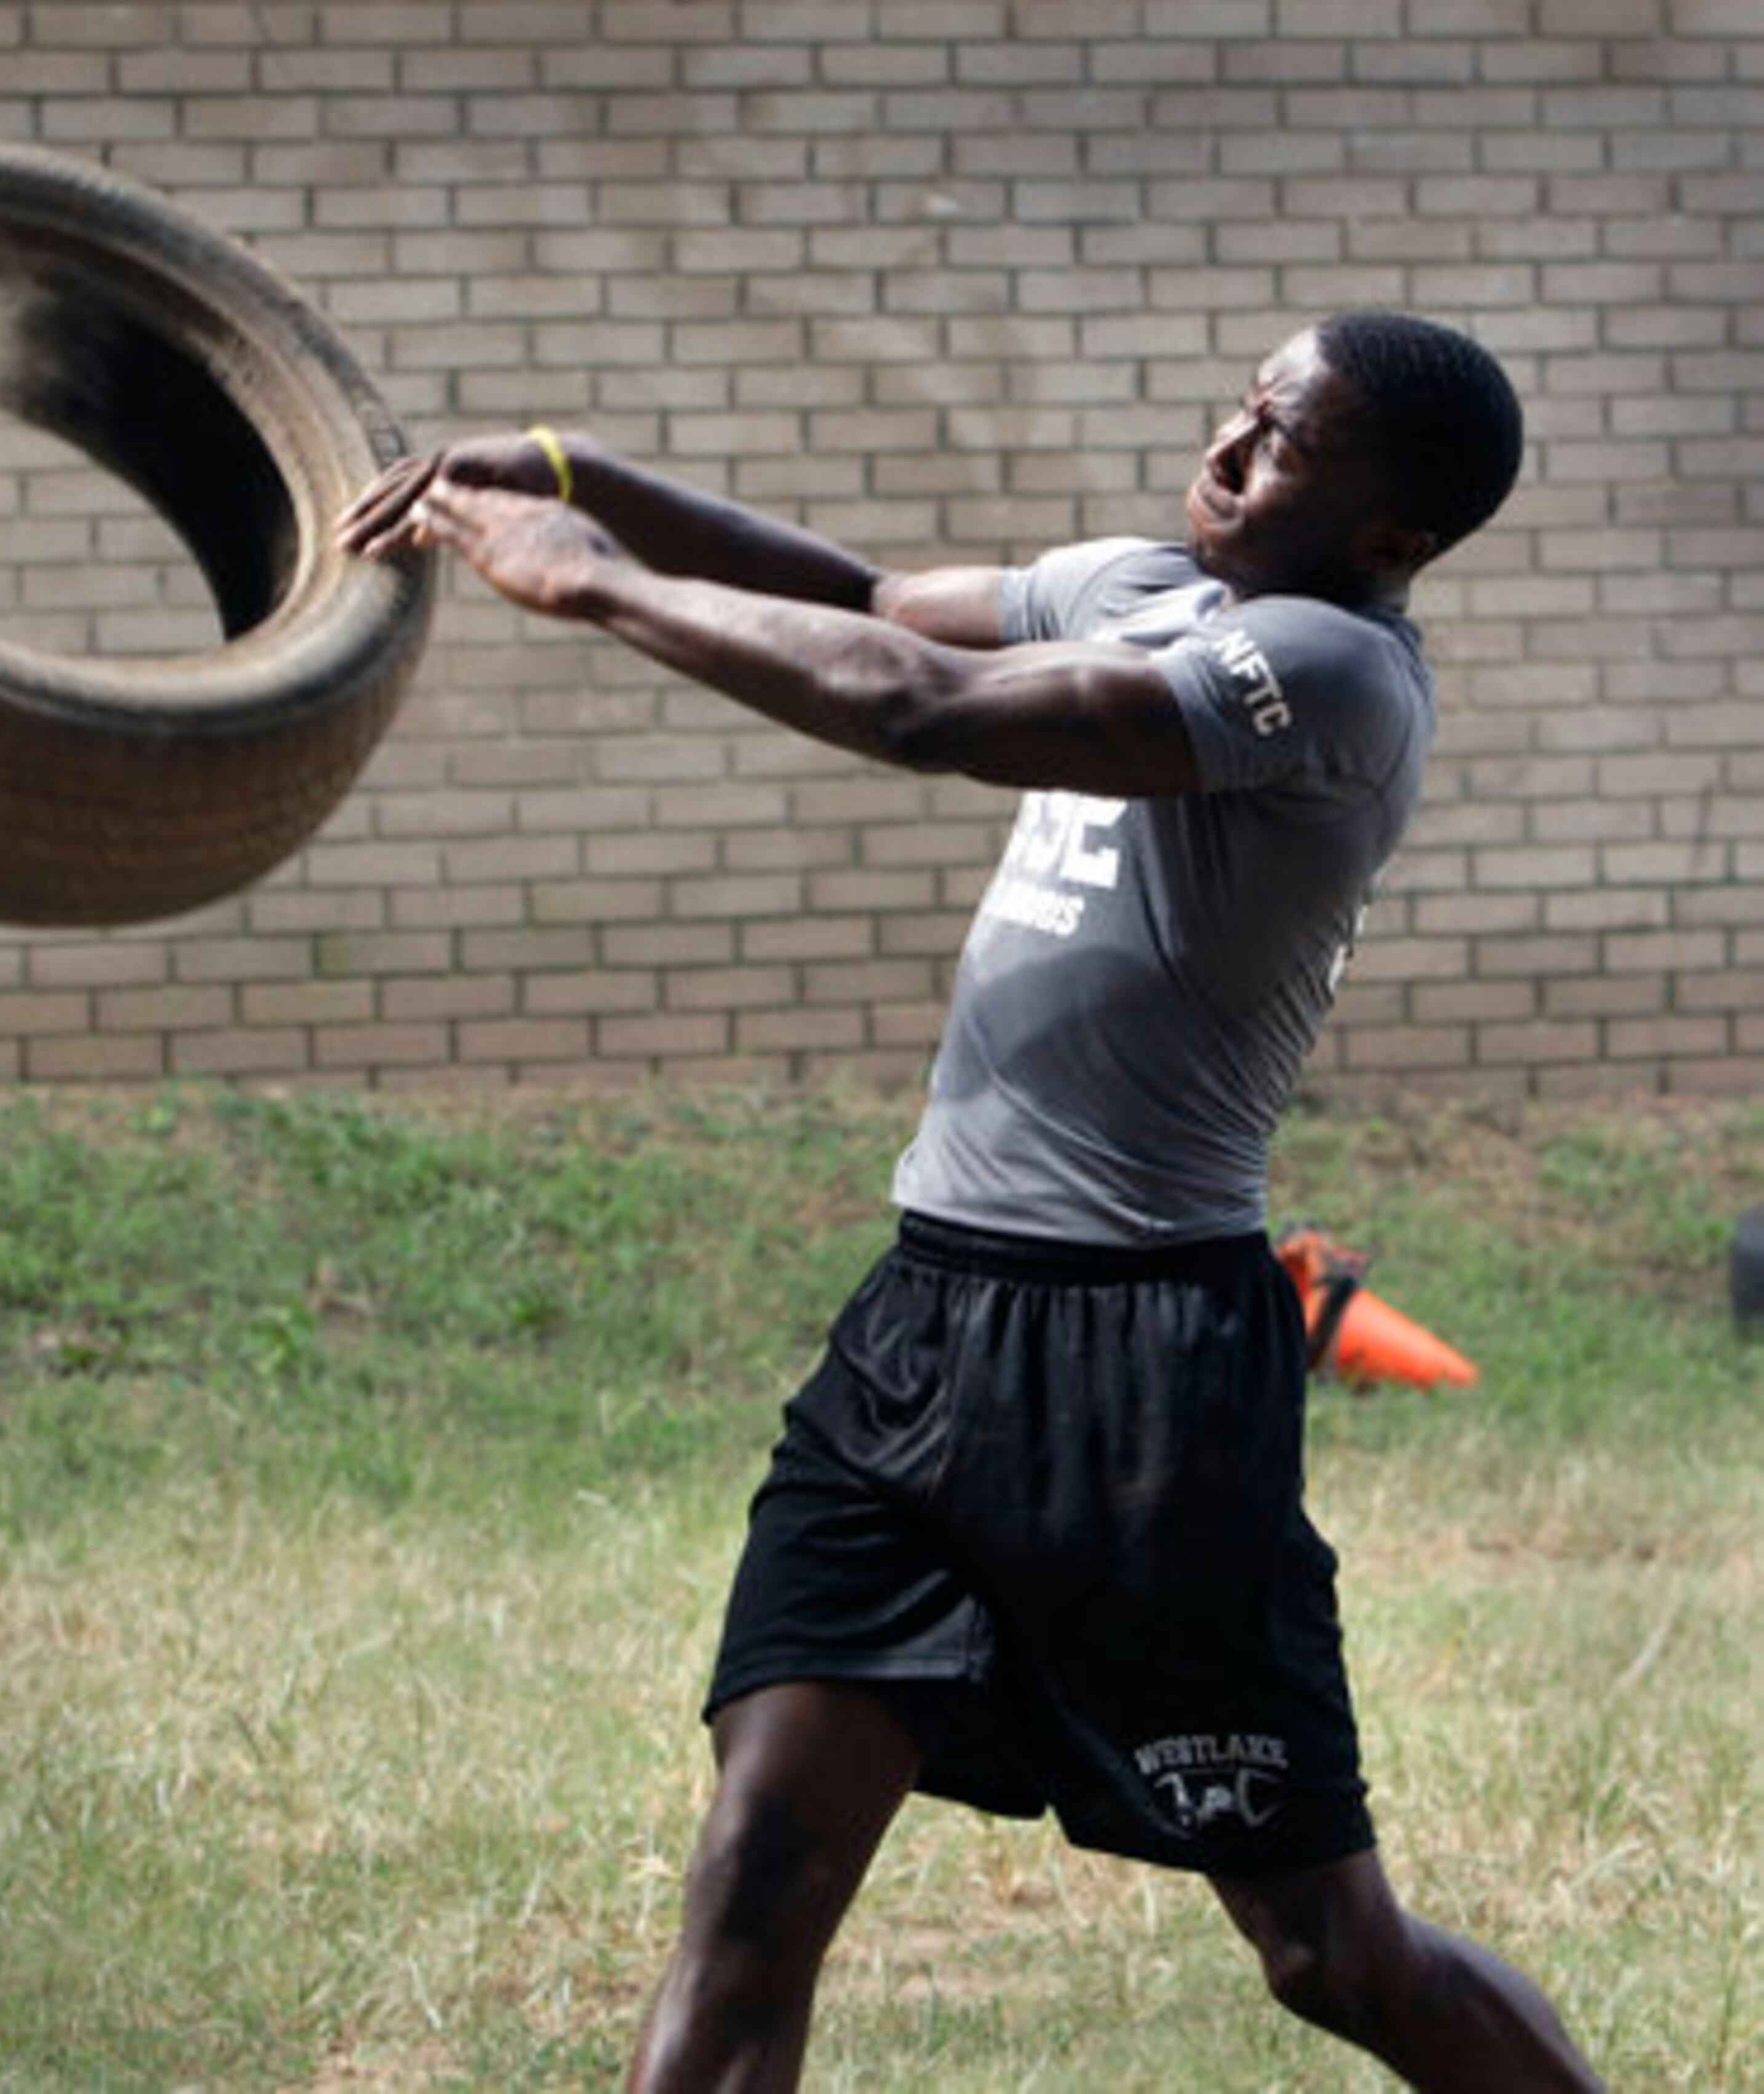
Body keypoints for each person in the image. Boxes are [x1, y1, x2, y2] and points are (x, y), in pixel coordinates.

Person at [339, 311, 1603, 2092]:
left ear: (1392, 533)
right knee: (756, 1886)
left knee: (1330, 1953)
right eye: (1243, 404)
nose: (1230, 447)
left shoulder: (1334, 678)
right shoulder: (1135, 581)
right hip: (925, 1329)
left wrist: (595, 582)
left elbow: (920, 710)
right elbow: (864, 595)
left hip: (1147, 1372)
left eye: (1287, 442)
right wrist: (567, 473)